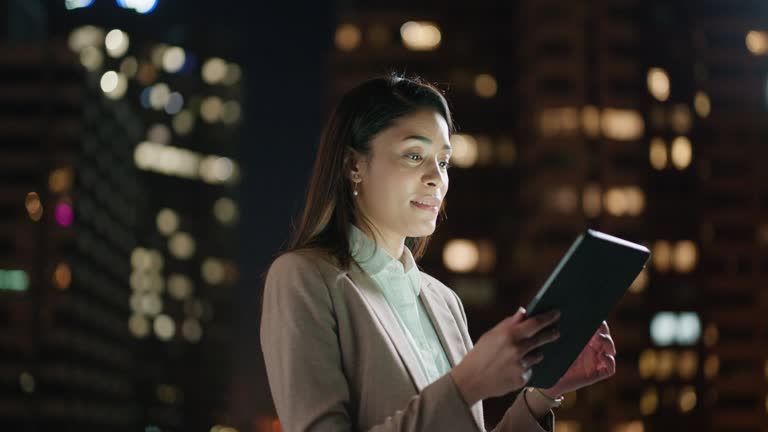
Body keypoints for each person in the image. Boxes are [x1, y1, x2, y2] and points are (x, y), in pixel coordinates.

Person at [260, 74, 617, 431]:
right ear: (354, 165)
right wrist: (468, 383)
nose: (437, 178)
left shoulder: (443, 301)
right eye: (414, 155)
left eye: (443, 162)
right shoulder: (303, 278)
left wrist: (542, 395)